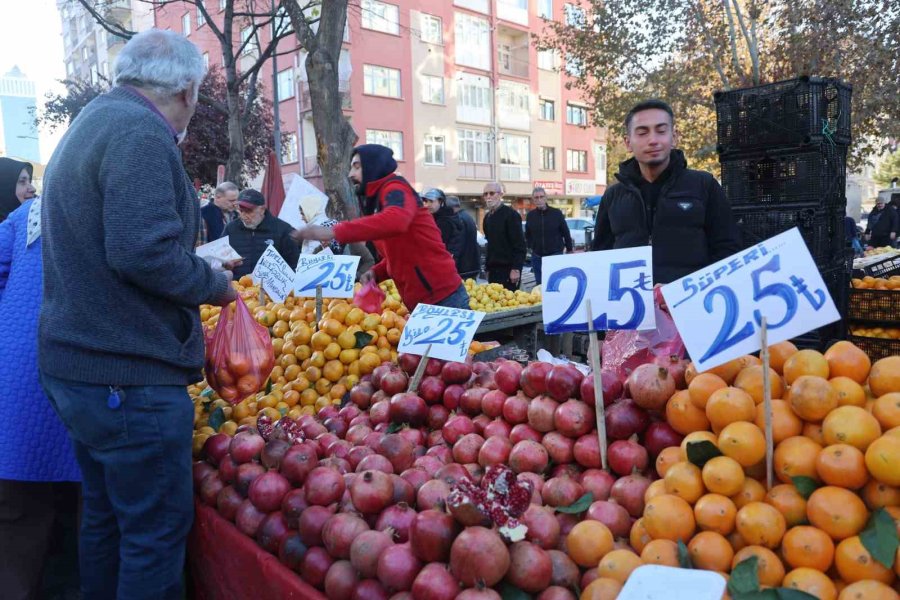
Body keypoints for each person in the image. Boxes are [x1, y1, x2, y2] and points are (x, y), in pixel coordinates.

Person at [38, 30, 236, 600]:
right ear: (187, 89)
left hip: (82, 366)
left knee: (106, 520)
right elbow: (141, 252)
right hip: (126, 375)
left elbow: (118, 244)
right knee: (152, 535)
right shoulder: (140, 132)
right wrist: (212, 283)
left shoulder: (91, 123)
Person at [0, 159, 81, 600]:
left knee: (19, 510)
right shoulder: (116, 208)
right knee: (93, 512)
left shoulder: (23, 217)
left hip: (21, 375)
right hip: (93, 373)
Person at [294, 144, 468, 310]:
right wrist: (377, 272)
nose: (350, 174)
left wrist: (335, 231)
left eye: (356, 167)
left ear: (372, 167)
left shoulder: (396, 188)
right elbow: (403, 255)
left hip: (444, 298)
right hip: (423, 301)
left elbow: (397, 221)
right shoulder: (376, 201)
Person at [592, 99, 742, 284]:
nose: (653, 140)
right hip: (632, 307)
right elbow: (599, 257)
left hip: (689, 306)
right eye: (642, 132)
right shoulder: (613, 196)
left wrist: (683, 291)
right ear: (628, 142)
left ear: (674, 137)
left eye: (661, 131)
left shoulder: (704, 185)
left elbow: (728, 250)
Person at [224, 188, 300, 278]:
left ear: (262, 209)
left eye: (248, 211)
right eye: (241, 211)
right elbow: (219, 258)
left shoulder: (283, 230)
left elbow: (294, 264)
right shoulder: (231, 228)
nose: (243, 216)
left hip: (271, 289)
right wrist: (224, 264)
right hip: (237, 288)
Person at [482, 182, 526, 291]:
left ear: (501, 194)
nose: (488, 197)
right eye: (485, 194)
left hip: (508, 270)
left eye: (492, 193)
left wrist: (516, 269)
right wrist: (487, 268)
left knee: (509, 303)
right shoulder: (487, 217)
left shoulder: (511, 215)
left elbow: (520, 245)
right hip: (493, 270)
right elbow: (490, 244)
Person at [525, 186, 573, 285]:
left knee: (557, 284)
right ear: (533, 200)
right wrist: (531, 247)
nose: (539, 199)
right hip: (537, 257)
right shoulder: (530, 216)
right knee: (540, 285)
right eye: (536, 197)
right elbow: (528, 234)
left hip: (555, 255)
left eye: (541, 197)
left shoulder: (556, 213)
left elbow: (565, 232)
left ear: (546, 198)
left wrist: (569, 249)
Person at [422, 188, 464, 265]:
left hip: (444, 263)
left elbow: (438, 245)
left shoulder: (444, 221)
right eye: (426, 201)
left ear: (440, 202)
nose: (428, 204)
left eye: (431, 201)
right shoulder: (438, 217)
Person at [447, 195, 481, 279]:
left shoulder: (458, 220)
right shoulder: (467, 216)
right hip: (472, 265)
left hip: (463, 269)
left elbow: (457, 247)